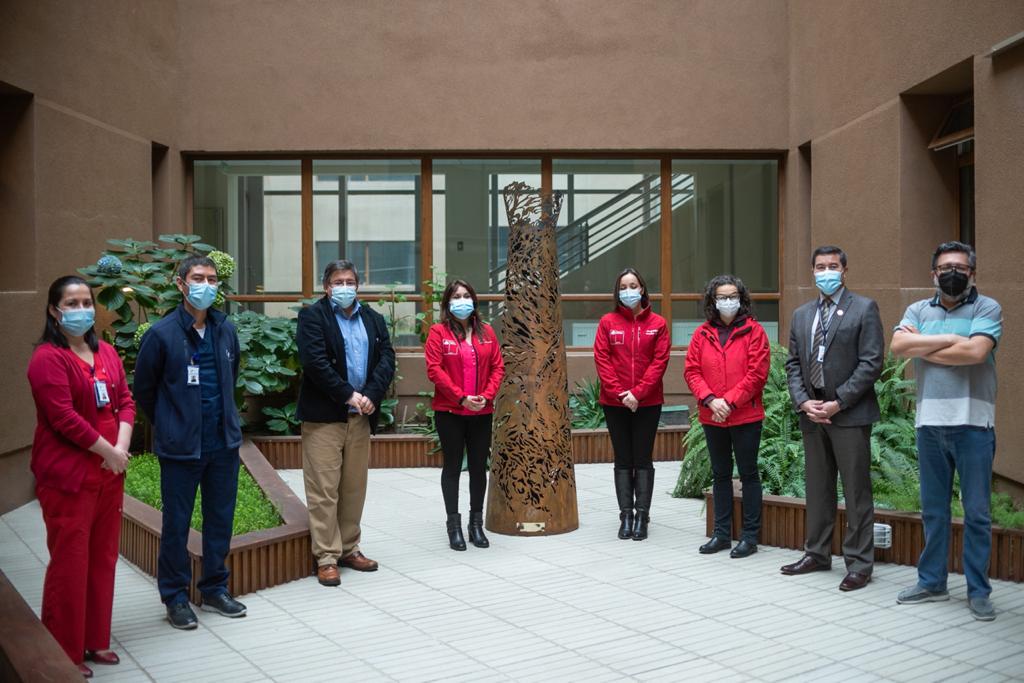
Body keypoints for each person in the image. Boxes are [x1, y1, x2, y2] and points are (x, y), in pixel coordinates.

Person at [27, 276, 135, 678]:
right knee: (70, 562)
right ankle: (64, 649)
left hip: (109, 473)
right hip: (69, 477)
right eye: (71, 303)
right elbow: (63, 418)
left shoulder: (105, 351)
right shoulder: (47, 359)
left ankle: (96, 639)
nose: (81, 310)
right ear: (55, 311)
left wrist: (119, 449)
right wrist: (108, 452)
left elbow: (124, 401)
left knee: (103, 558)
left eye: (86, 302)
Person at [891, 241, 1002, 621]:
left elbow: (976, 353)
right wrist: (955, 339)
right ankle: (932, 581)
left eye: (960, 266)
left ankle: (978, 590)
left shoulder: (987, 307)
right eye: (944, 267)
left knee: (977, 513)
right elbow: (897, 345)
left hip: (973, 425)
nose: (952, 272)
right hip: (931, 426)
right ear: (933, 273)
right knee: (934, 511)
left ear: (972, 272)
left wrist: (924, 348)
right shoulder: (918, 309)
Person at [135, 255, 247, 629]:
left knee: (220, 519)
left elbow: (231, 378)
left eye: (212, 279)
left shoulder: (225, 329)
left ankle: (215, 588)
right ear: (181, 284)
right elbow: (145, 392)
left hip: (222, 445)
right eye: (198, 278)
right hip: (181, 449)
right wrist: (171, 425)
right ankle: (176, 597)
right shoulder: (161, 334)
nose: (206, 285)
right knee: (177, 524)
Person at [781, 245, 883, 591]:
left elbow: (871, 362)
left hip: (848, 414)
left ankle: (859, 563)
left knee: (856, 491)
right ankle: (817, 553)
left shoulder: (864, 308)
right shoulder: (801, 314)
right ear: (812, 271)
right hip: (813, 413)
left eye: (833, 266)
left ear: (845, 270)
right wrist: (803, 402)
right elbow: (793, 364)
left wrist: (839, 402)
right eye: (820, 266)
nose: (827, 271)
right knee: (818, 488)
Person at [297, 259, 395, 586]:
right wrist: (347, 394)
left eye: (349, 281)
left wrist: (370, 395)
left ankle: (349, 548)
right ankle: (326, 556)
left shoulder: (373, 319)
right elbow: (315, 362)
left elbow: (386, 360)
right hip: (325, 417)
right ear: (327, 287)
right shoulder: (313, 317)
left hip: (361, 416)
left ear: (358, 285)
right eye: (337, 282)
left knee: (353, 488)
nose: (344, 287)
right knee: (324, 489)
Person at [684, 275, 770, 558]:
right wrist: (710, 400)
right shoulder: (701, 334)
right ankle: (721, 535)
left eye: (733, 296)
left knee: (748, 475)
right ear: (713, 301)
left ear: (742, 299)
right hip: (713, 418)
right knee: (720, 475)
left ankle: (749, 537)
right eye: (722, 296)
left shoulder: (755, 332)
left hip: (745, 416)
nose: (728, 301)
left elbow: (756, 374)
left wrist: (729, 402)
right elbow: (692, 371)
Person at [424, 280, 505, 550]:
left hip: (482, 411)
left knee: (479, 468)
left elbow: (498, 367)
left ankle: (475, 525)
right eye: (456, 296)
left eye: (466, 295)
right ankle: (454, 526)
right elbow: (434, 370)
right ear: (448, 303)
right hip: (450, 411)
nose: (462, 300)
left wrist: (486, 396)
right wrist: (461, 398)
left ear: (474, 301)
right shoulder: (438, 333)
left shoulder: (487, 332)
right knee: (453, 466)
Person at [593, 267, 670, 541]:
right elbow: (602, 360)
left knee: (643, 457)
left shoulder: (658, 324)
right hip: (615, 403)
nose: (628, 291)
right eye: (623, 286)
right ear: (618, 292)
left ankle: (642, 516)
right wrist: (620, 394)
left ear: (642, 289)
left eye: (633, 285)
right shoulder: (607, 322)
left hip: (647, 402)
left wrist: (638, 394)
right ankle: (626, 515)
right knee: (623, 457)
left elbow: (659, 363)